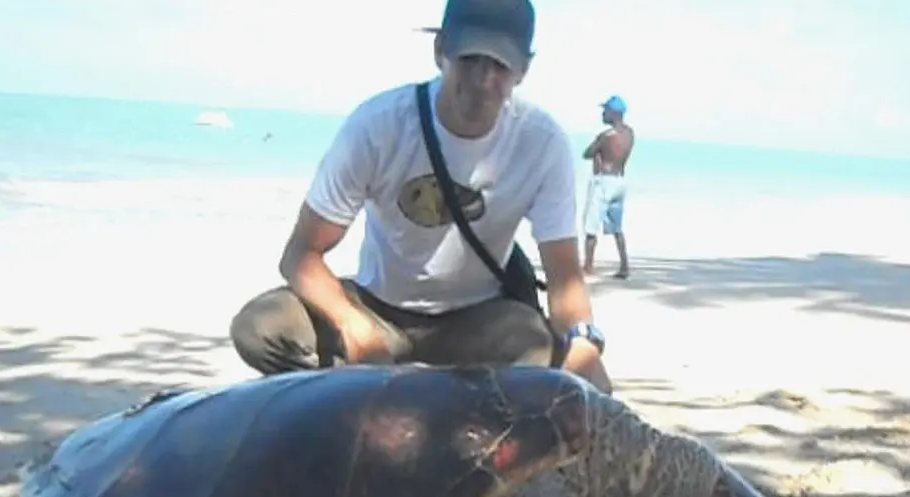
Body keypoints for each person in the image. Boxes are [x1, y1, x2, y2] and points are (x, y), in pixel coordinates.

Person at [229, 0, 612, 394]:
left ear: (523, 70)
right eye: (470, 59)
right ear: (440, 50)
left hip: (478, 321)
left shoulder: (541, 143)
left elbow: (565, 278)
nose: (483, 81)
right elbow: (299, 256)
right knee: (259, 329)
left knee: (544, 356)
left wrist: (584, 344)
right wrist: (351, 323)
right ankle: (342, 413)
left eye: (500, 66)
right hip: (378, 310)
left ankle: (448, 424)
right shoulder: (378, 126)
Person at [581, 95, 634, 279]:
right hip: (620, 181)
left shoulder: (605, 136)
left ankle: (588, 266)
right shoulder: (629, 134)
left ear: (614, 113)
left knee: (591, 226)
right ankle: (624, 265)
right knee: (617, 227)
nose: (603, 114)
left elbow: (586, 153)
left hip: (603, 182)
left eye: (606, 111)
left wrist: (597, 152)